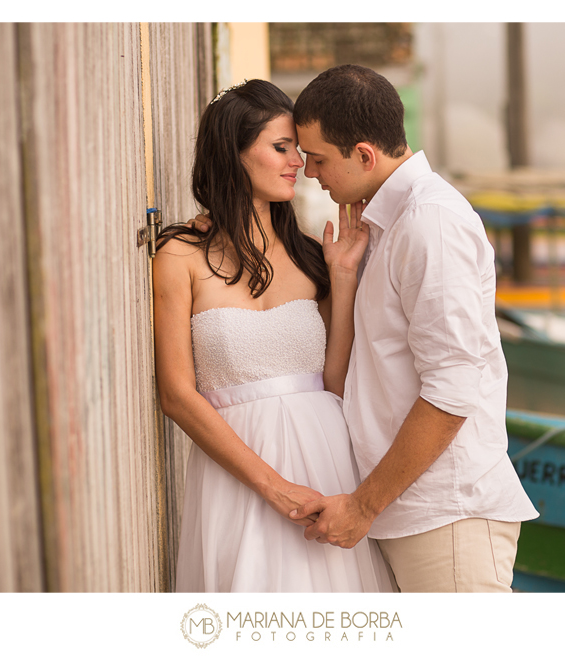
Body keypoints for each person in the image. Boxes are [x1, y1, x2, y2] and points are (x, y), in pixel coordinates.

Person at [284, 64, 539, 593]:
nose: (309, 172)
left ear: (364, 155)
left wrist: (362, 505)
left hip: (446, 513)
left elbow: (453, 389)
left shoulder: (430, 223)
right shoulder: (385, 223)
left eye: (318, 158)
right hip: (412, 511)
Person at [152, 79, 393, 592]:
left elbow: (333, 380)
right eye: (282, 148)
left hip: (325, 461)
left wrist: (344, 279)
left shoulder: (312, 255)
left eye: (300, 152)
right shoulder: (179, 256)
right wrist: (274, 486)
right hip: (237, 473)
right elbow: (176, 395)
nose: (299, 164)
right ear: (234, 154)